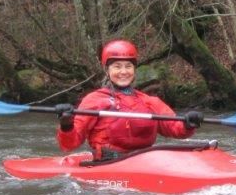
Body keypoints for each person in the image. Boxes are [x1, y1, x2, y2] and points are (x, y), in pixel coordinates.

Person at [54, 40, 202, 160]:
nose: (123, 72)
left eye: (128, 66)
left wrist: (188, 124)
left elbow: (175, 128)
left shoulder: (149, 101)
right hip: (107, 165)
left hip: (145, 162)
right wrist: (66, 124)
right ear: (107, 70)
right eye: (117, 67)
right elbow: (69, 145)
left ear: (134, 69)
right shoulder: (95, 100)